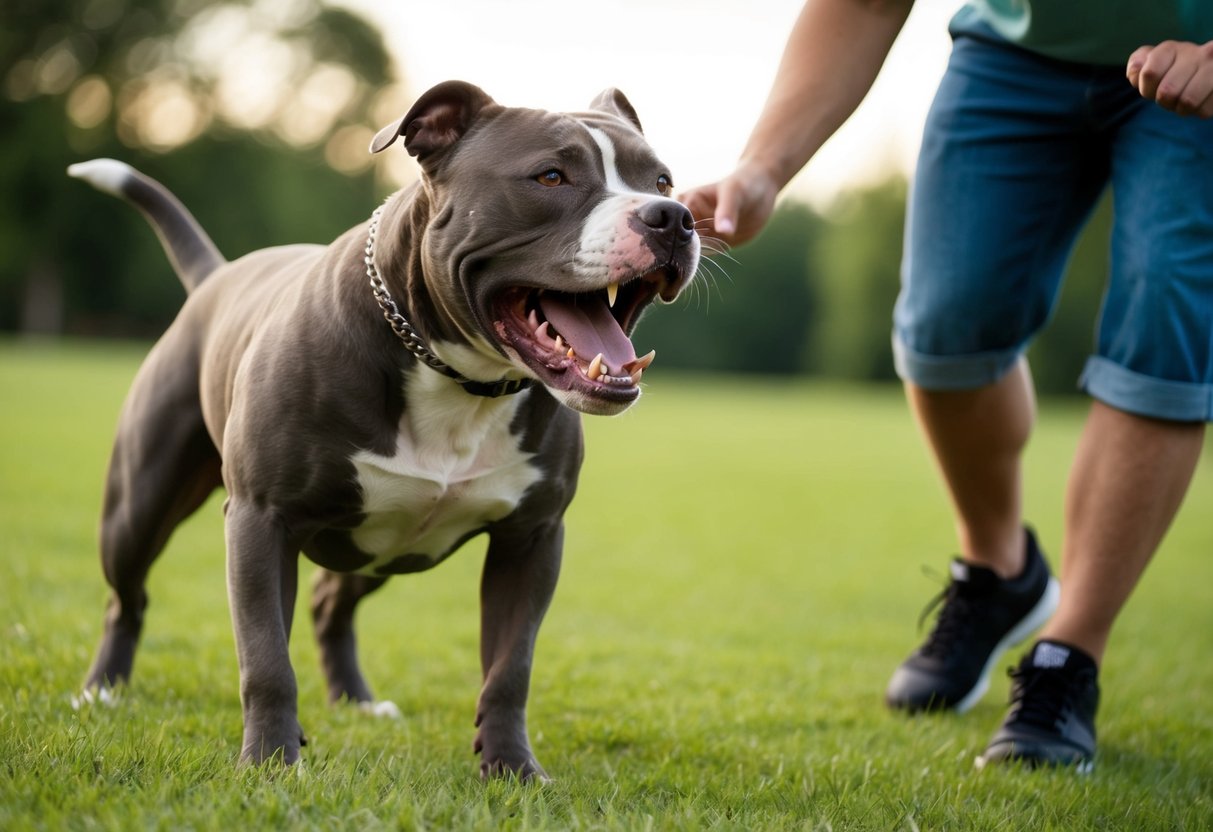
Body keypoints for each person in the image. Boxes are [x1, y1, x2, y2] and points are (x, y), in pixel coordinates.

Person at [680, 0, 1213, 771]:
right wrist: (764, 166)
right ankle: (998, 571)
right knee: (943, 330)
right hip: (1013, 53)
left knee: (1163, 323)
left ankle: (1069, 654)